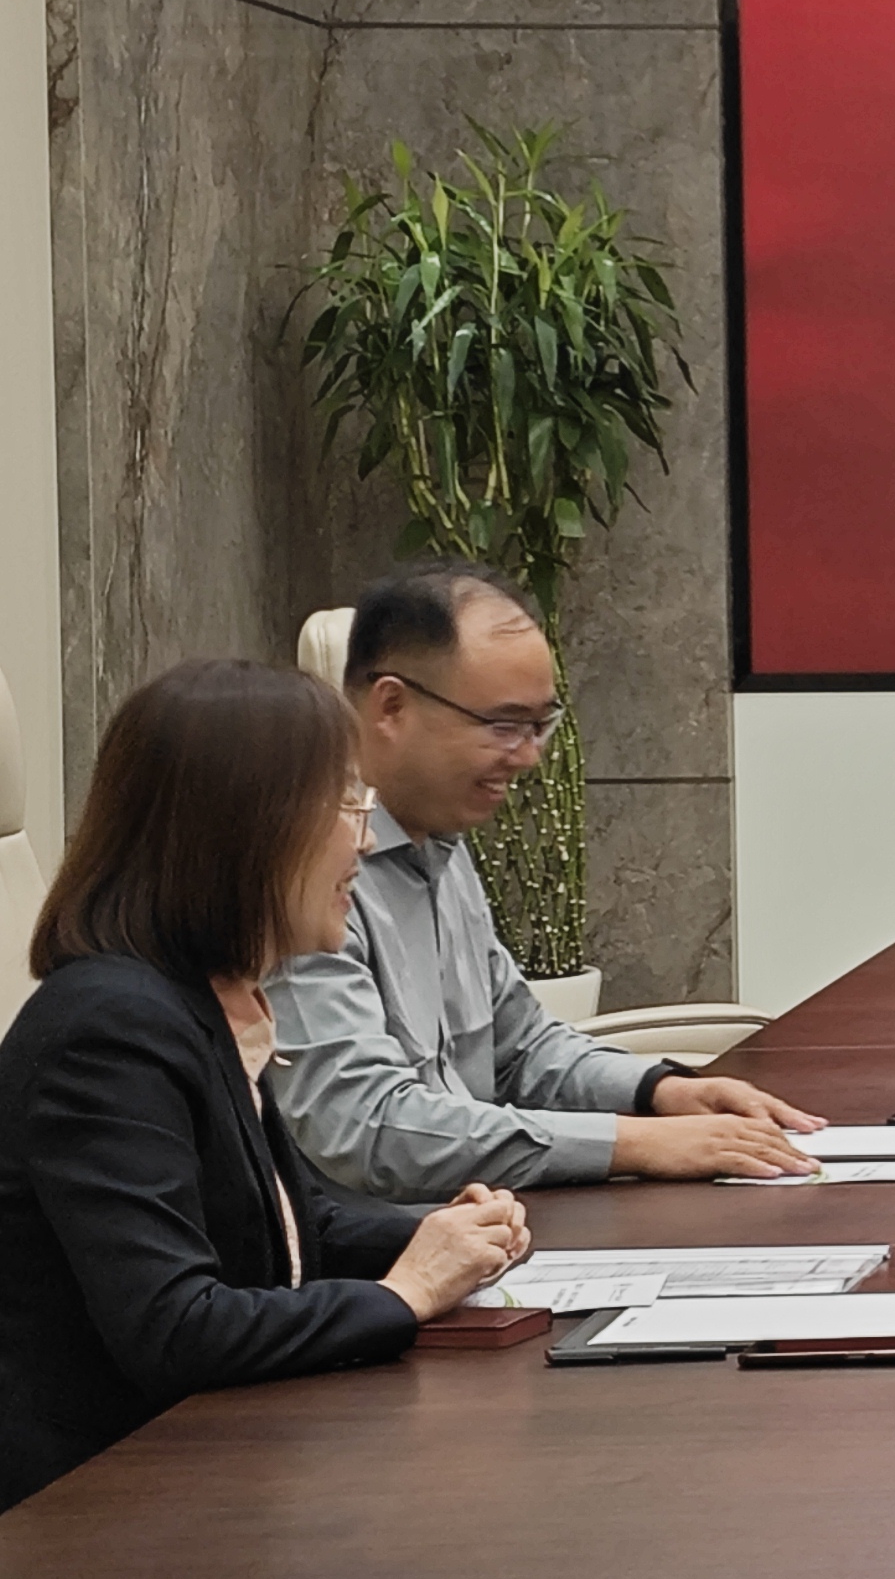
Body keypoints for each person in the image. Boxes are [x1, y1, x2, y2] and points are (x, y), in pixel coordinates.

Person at [0, 660, 539, 1510]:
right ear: (249, 827)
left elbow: (283, 1222)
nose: (365, 841)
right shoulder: (108, 1031)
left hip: (208, 1477)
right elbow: (177, 1329)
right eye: (346, 804)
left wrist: (441, 1239)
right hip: (94, 1519)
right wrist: (405, 1294)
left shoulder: (195, 999)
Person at [268, 563, 825, 1195]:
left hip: (490, 1221)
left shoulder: (441, 842)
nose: (530, 756)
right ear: (392, 706)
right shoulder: (303, 870)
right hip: (386, 1244)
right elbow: (364, 1129)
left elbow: (520, 1050)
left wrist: (661, 1091)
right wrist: (634, 1144)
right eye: (503, 725)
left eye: (540, 725)